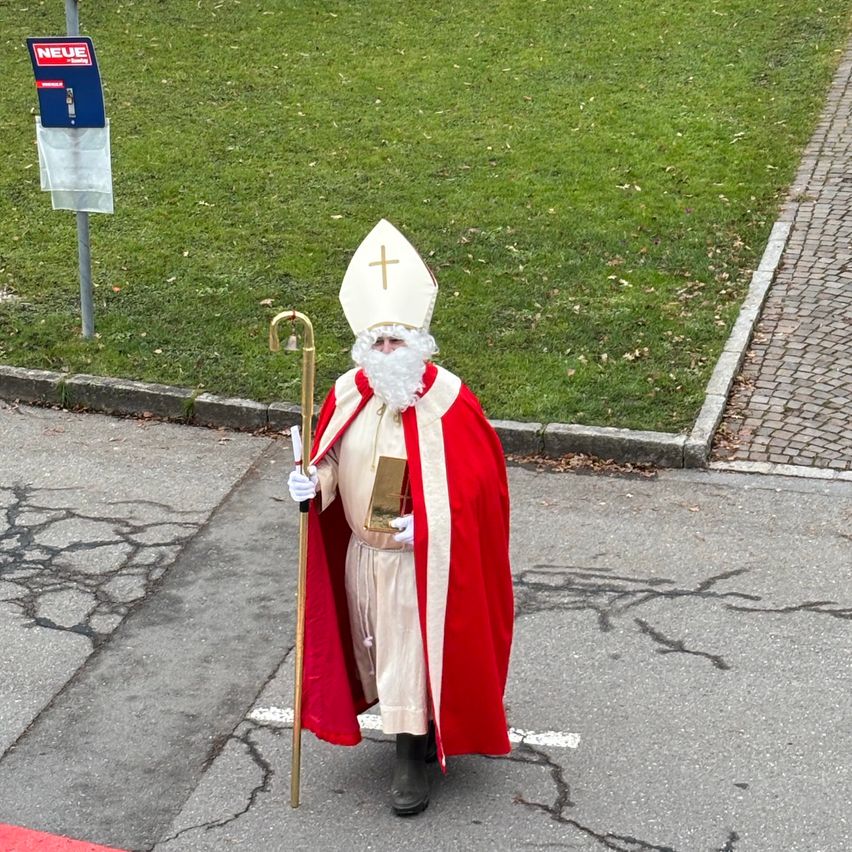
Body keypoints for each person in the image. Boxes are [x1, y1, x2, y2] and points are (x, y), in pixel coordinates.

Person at [287, 219, 514, 816]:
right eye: (378, 343)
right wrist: (312, 483)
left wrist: (431, 524)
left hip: (418, 561)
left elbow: (481, 490)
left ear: (419, 342)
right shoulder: (348, 391)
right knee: (377, 649)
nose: (386, 353)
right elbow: (329, 456)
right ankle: (416, 725)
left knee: (408, 655)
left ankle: (410, 757)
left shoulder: (450, 401)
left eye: (396, 341)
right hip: (363, 554)